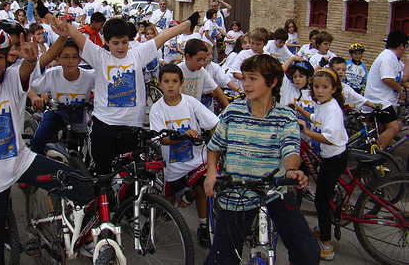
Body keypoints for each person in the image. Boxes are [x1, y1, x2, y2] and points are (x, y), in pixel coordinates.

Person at [0, 24, 93, 264]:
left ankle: (79, 241)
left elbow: (29, 68)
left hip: (21, 162)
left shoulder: (11, 77)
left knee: (84, 186)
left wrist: (31, 61)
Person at [38, 0, 202, 174]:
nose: (121, 47)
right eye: (115, 43)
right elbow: (70, 30)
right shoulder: (99, 56)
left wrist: (189, 22)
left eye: (124, 42)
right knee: (103, 177)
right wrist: (46, 14)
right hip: (104, 126)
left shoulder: (138, 54)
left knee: (130, 178)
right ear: (106, 42)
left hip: (132, 127)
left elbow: (165, 35)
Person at [204, 54, 320, 265]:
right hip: (237, 192)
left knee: (309, 253)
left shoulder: (285, 116)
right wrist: (212, 172)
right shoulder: (232, 112)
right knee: (219, 260)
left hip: (275, 192)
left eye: (253, 78)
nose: (245, 84)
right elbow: (215, 147)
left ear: (272, 82)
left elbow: (290, 149)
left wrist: (292, 171)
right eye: (245, 78)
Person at [149, 64, 219, 248]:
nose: (170, 85)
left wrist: (221, 134)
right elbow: (161, 139)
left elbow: (213, 122)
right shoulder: (157, 109)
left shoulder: (191, 102)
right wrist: (182, 136)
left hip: (197, 160)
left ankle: (203, 225)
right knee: (167, 201)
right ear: (160, 83)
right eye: (166, 81)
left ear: (182, 83)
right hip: (173, 166)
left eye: (174, 81)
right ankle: (150, 224)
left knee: (201, 190)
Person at [294, 68, 348, 261]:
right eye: (316, 86)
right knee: (323, 196)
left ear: (334, 89)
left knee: (320, 201)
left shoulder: (332, 109)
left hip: (334, 159)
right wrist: (299, 110)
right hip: (328, 157)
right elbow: (315, 119)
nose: (319, 91)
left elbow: (330, 138)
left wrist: (307, 132)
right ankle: (322, 227)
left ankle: (326, 244)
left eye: (325, 87)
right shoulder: (323, 105)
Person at [29, 38, 95, 154]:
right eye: (66, 57)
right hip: (57, 113)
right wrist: (35, 97)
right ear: (58, 59)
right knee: (40, 137)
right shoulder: (52, 74)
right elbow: (27, 86)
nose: (71, 61)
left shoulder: (89, 76)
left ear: (80, 59)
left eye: (74, 57)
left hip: (79, 116)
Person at [363, 30, 409, 149]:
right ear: (401, 46)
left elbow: (402, 78)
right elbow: (387, 79)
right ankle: (374, 158)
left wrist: (408, 60)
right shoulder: (387, 57)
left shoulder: (394, 59)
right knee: (394, 127)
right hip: (379, 100)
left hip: (385, 100)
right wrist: (400, 90)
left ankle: (373, 154)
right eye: (406, 46)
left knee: (379, 130)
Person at [178, 39, 230, 108]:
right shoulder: (177, 70)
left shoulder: (202, 71)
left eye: (204, 59)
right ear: (187, 56)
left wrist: (228, 109)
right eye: (198, 60)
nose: (202, 63)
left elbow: (217, 90)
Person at [201, 42, 242, 111]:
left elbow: (226, 81)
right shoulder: (196, 69)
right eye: (208, 55)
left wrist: (239, 90)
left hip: (208, 103)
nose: (211, 57)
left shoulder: (214, 67)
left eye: (211, 53)